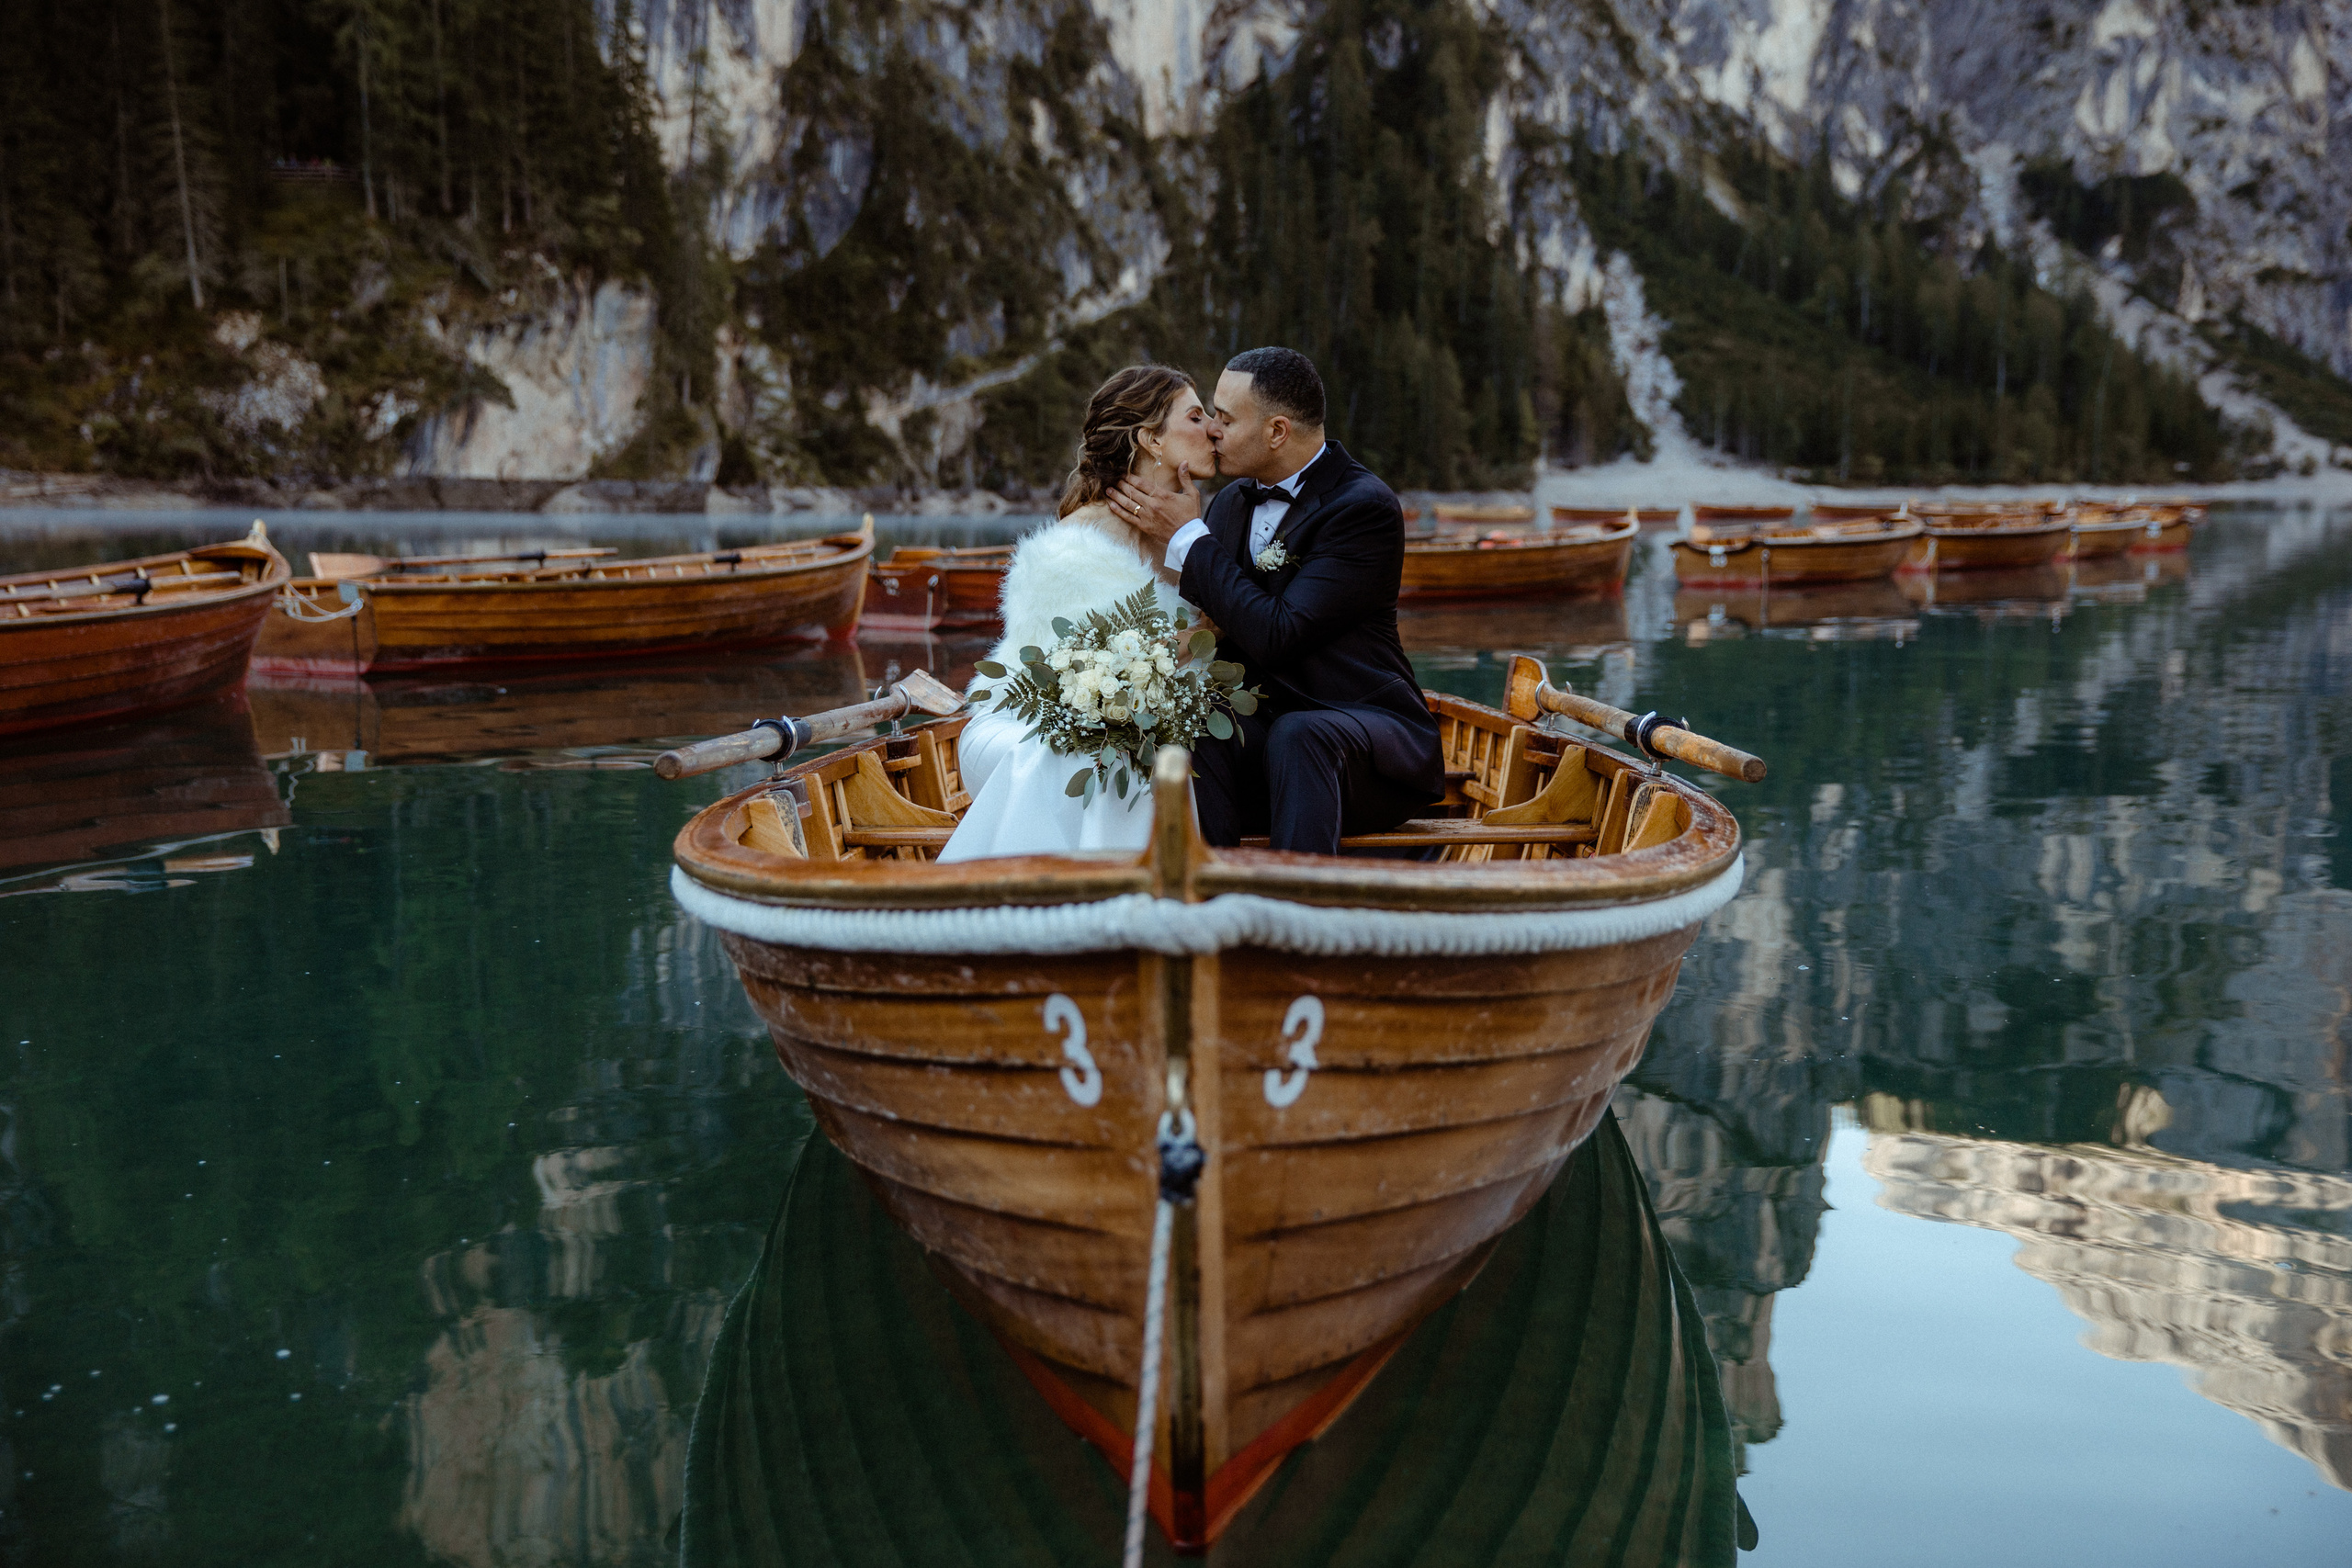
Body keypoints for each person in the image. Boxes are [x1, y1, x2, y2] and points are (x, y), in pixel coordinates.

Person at [1108, 346, 1443, 853]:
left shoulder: (1362, 508)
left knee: (1300, 734)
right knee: (1201, 720)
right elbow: (1215, 620)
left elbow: (1278, 633)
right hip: (1268, 744)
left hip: (1366, 745)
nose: (1212, 431)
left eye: (1225, 418)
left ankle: (1293, 918)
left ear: (1277, 432)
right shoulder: (1227, 505)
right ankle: (1213, 895)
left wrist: (1190, 539)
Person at [938, 365, 1218, 863]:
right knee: (1115, 761)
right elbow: (1076, 687)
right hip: (1025, 725)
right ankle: (1090, 904)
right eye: (1196, 417)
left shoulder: (1191, 534)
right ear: (1151, 439)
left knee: (1140, 754)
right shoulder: (1074, 549)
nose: (1213, 428)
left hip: (1131, 725)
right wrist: (1201, 634)